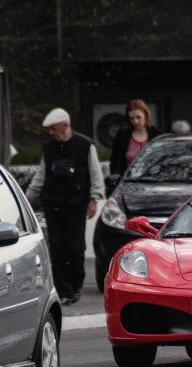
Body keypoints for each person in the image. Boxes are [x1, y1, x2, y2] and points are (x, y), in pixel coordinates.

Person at [26, 108, 104, 305]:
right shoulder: (49, 148)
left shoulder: (85, 145)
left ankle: (76, 285)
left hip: (76, 205)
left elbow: (96, 174)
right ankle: (64, 291)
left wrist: (94, 198)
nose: (51, 133)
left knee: (75, 248)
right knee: (58, 250)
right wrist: (28, 197)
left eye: (53, 129)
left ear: (65, 126)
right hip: (53, 205)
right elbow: (41, 175)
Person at [109, 99, 161, 178]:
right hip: (128, 181)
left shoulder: (156, 135)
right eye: (132, 119)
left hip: (152, 180)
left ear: (146, 115)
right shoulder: (122, 135)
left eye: (138, 117)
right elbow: (115, 161)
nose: (135, 122)